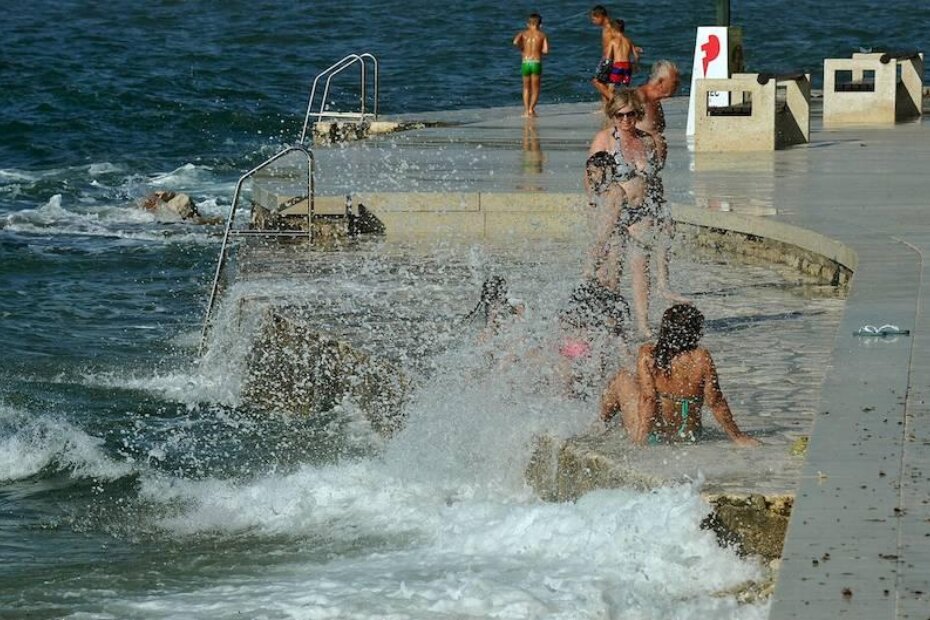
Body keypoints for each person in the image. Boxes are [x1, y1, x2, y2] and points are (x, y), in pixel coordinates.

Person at [600, 304, 761, 447]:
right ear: (695, 333)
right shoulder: (701, 358)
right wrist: (738, 437)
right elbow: (716, 402)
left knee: (623, 377)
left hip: (655, 437)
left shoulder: (648, 354)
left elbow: (648, 400)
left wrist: (640, 440)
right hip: (689, 435)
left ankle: (599, 425)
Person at [585, 88, 660, 336]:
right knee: (612, 270)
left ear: (637, 114)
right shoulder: (605, 140)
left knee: (641, 268)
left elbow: (656, 180)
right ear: (612, 115)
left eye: (630, 115)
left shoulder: (647, 140)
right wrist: (596, 205)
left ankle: (642, 324)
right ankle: (611, 321)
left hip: (642, 212)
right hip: (614, 213)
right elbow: (590, 176)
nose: (625, 120)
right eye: (619, 116)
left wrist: (661, 210)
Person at [635, 60, 687, 303]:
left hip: (654, 177)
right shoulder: (639, 98)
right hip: (637, 178)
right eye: (675, 81)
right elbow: (616, 129)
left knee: (666, 226)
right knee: (640, 232)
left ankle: (663, 284)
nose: (678, 85)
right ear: (660, 81)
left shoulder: (656, 102)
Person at [513, 13, 550, 117]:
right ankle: (531, 109)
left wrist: (522, 47)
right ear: (540, 25)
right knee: (535, 88)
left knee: (526, 88)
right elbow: (546, 51)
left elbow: (515, 42)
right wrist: (538, 51)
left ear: (528, 24)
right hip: (536, 62)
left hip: (525, 62)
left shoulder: (523, 33)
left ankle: (525, 110)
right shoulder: (542, 35)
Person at [589, 5, 616, 102]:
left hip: (609, 59)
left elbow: (619, 39)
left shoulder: (609, 27)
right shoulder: (607, 26)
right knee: (605, 84)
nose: (593, 22)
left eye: (594, 19)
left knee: (596, 81)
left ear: (600, 16)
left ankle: (614, 100)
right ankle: (606, 107)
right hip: (606, 59)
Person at [605, 19, 639, 89]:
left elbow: (608, 58)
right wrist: (635, 65)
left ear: (613, 30)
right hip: (627, 66)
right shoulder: (629, 41)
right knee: (625, 89)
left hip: (618, 66)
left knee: (611, 88)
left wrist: (606, 69)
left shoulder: (613, 42)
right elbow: (636, 56)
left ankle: (611, 99)